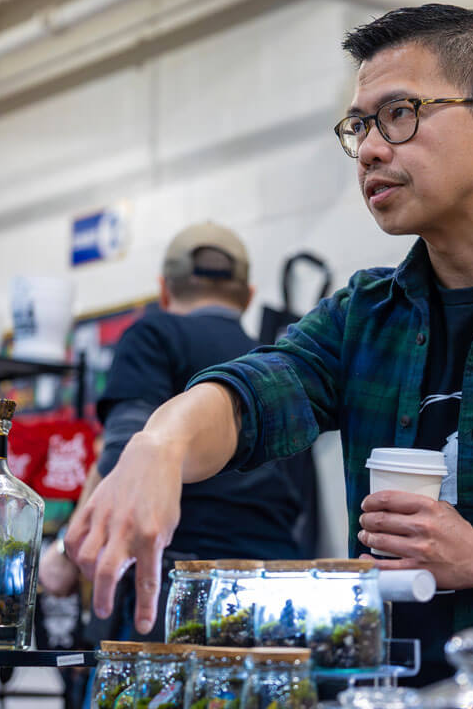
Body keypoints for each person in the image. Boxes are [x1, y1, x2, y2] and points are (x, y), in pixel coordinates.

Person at [66, 4, 473, 708]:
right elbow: (258, 394)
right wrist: (160, 443)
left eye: (400, 114)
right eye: (359, 126)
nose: (372, 148)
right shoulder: (366, 316)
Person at [40, 221, 310, 641]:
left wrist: (62, 554)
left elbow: (124, 462)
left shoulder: (152, 335)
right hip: (280, 584)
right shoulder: (276, 359)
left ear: (164, 290)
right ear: (248, 298)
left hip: (185, 588)